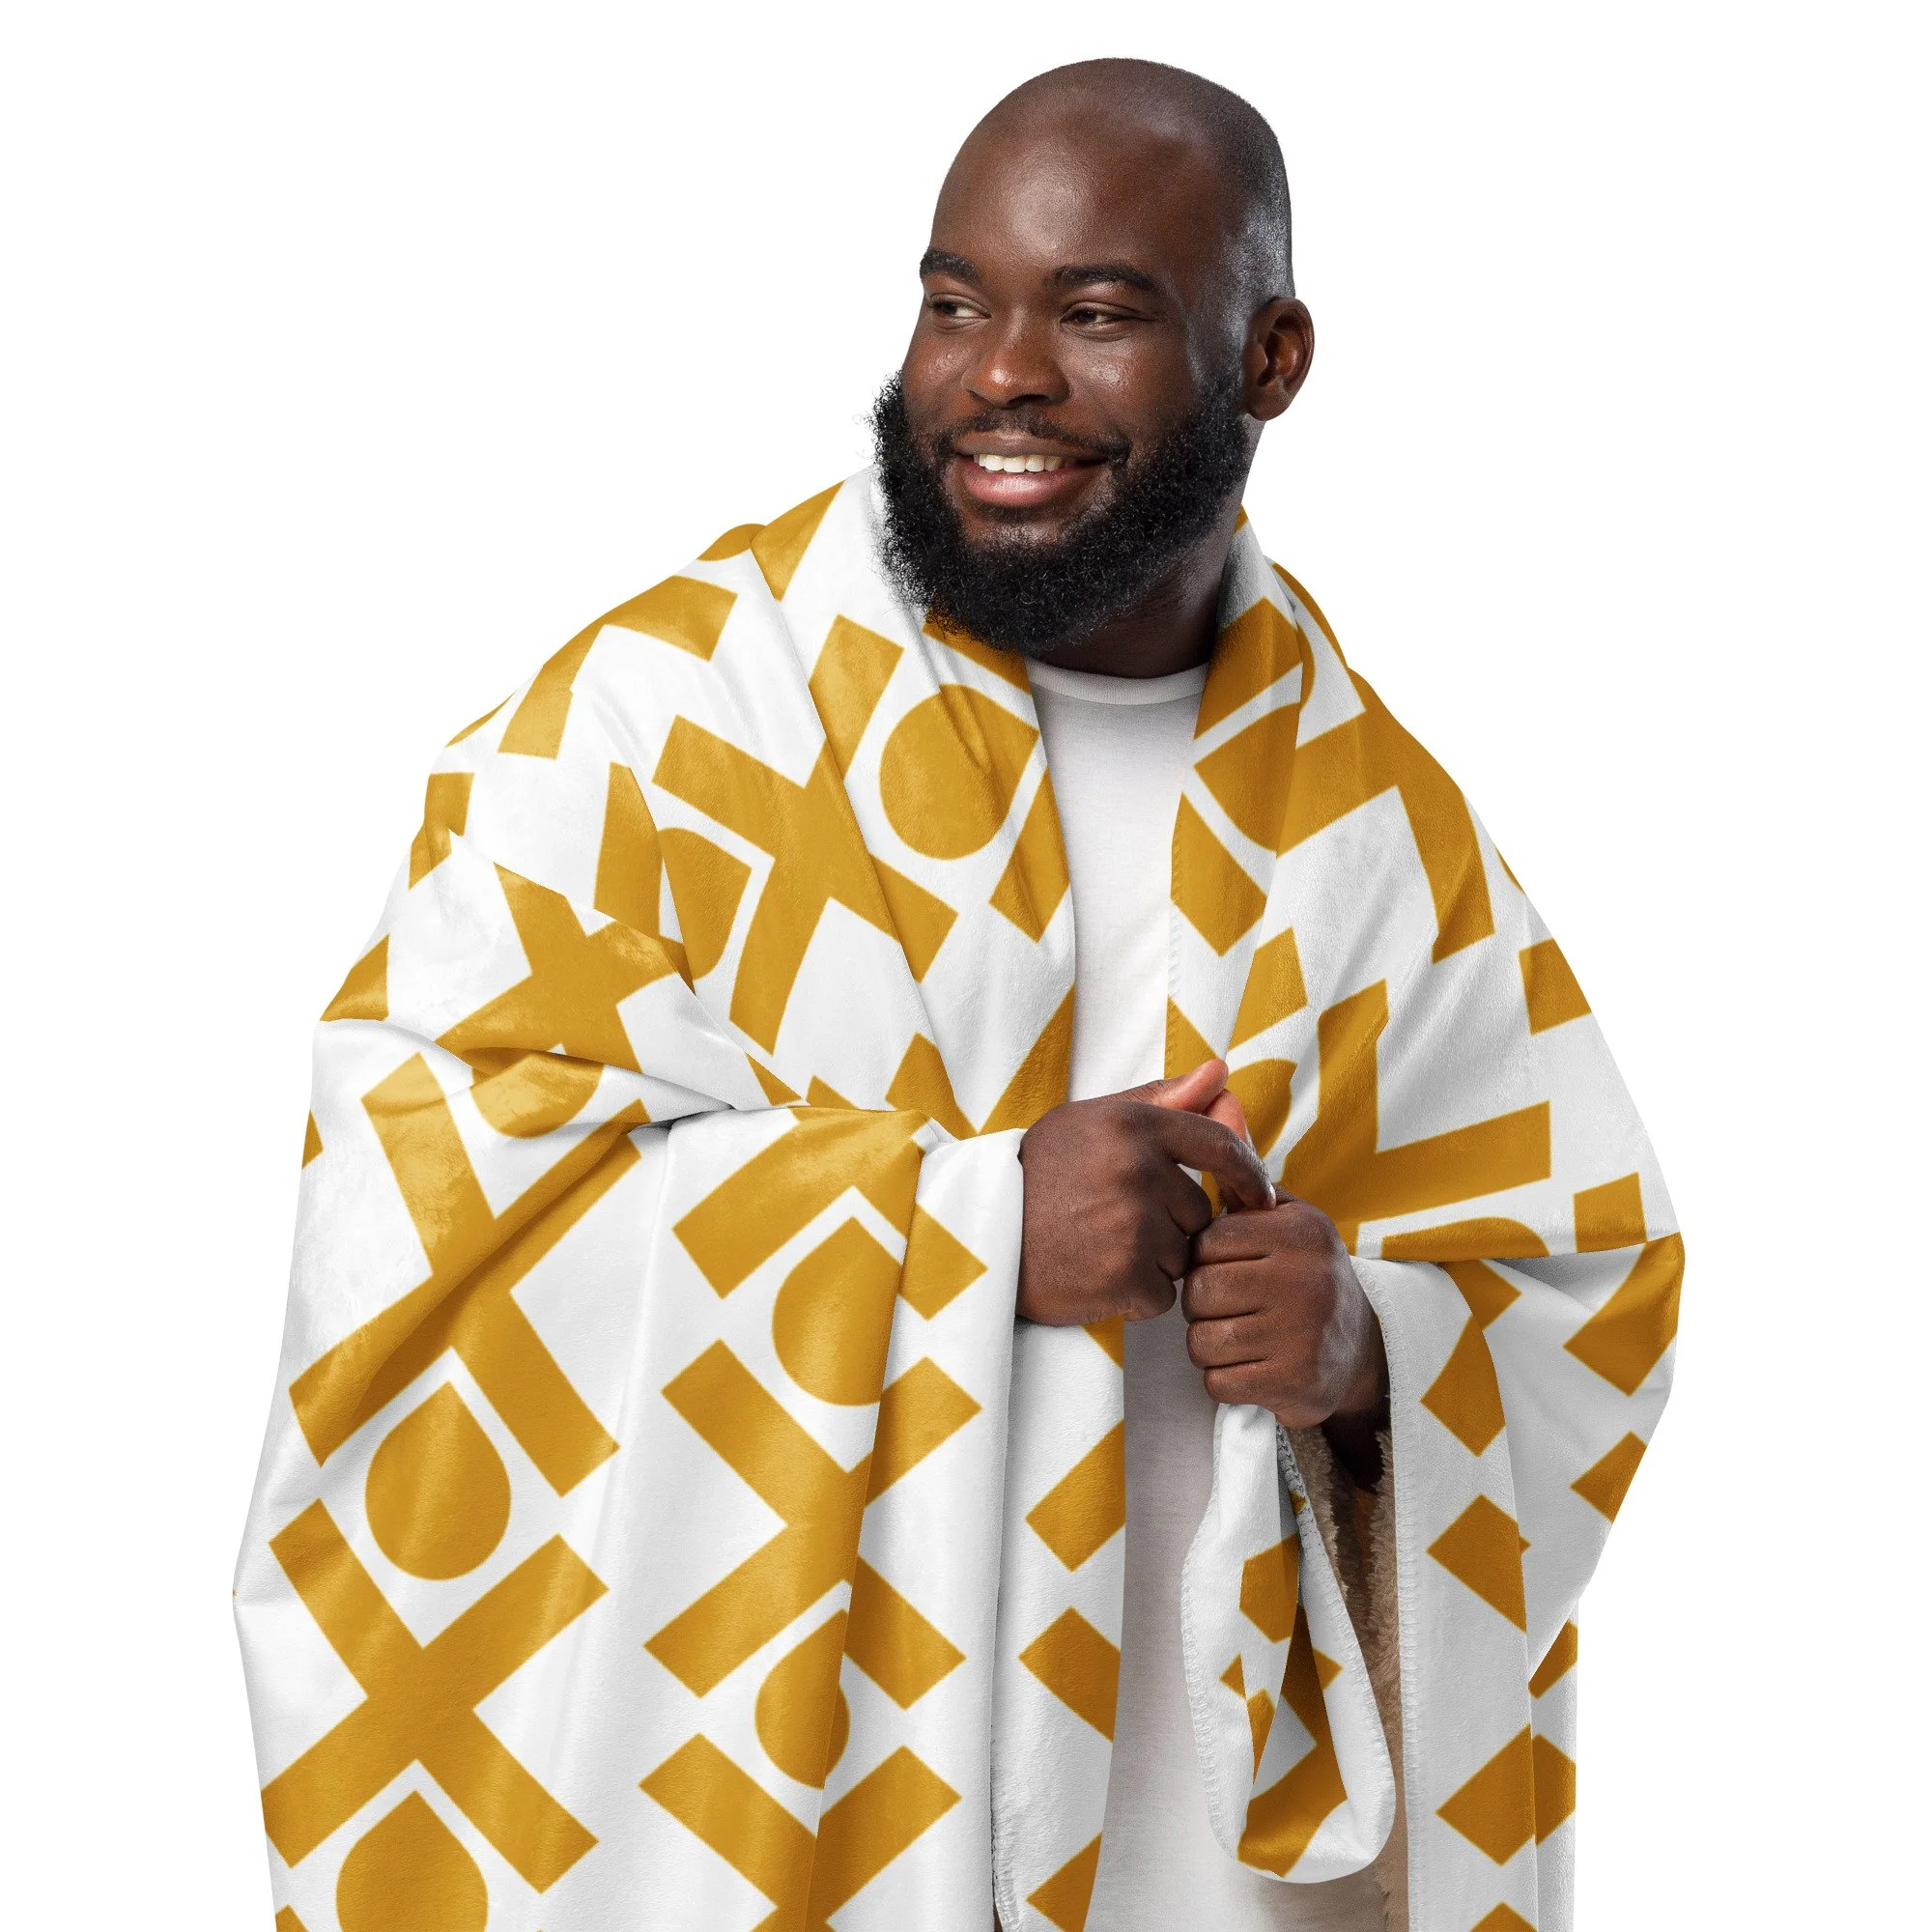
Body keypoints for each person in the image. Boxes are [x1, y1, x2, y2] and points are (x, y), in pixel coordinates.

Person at [237, 58, 1682, 1932]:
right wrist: (969, 1226)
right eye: (952, 302)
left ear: (1269, 360)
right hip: (774, 1829)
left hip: (1199, 1862)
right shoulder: (662, 734)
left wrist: (1365, 1358)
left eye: (1097, 314)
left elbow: (1582, 1293)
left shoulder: (1385, 844)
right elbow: (415, 1216)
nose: (999, 372)